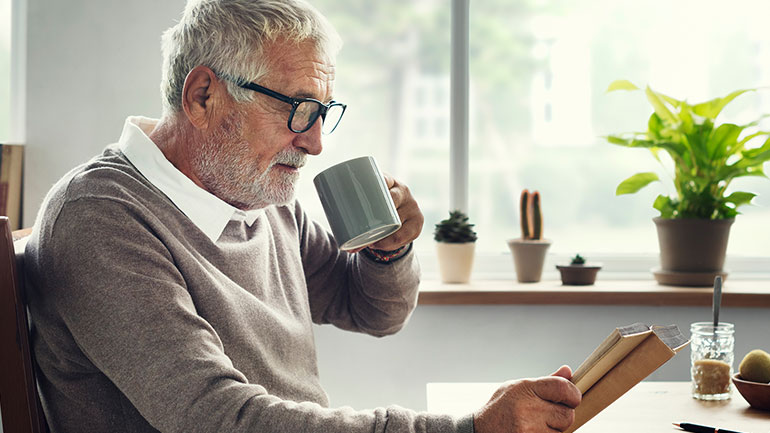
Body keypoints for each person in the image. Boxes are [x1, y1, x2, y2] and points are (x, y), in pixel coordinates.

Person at [24, 0, 580, 432]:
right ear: (202, 96)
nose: (314, 143)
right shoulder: (100, 218)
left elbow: (371, 310)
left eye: (323, 113)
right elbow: (217, 420)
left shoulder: (258, 196)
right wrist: (468, 429)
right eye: (297, 109)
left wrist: (389, 248)